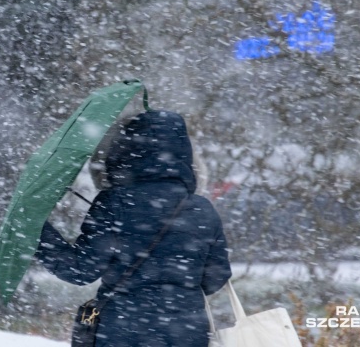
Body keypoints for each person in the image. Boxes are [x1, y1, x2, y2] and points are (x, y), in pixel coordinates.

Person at [35, 110, 232, 347]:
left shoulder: (115, 201)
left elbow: (80, 270)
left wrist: (37, 231)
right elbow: (215, 278)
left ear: (124, 149)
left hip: (123, 329)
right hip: (186, 333)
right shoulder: (202, 208)